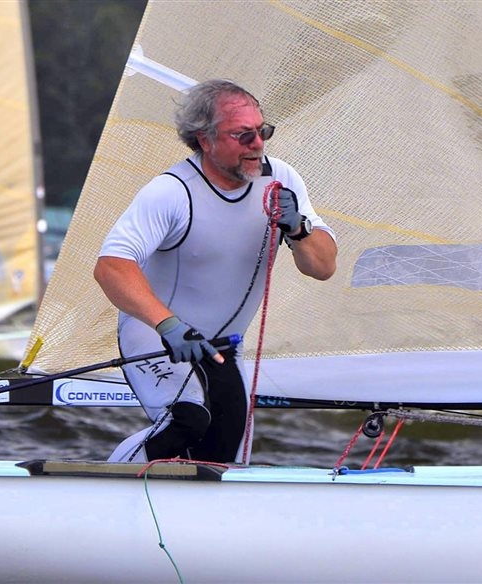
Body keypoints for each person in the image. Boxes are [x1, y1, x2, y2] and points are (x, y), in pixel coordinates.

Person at [95, 79, 337, 463]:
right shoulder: (172, 191)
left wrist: (299, 229)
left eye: (262, 131)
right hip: (158, 337)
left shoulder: (281, 180)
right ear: (205, 140)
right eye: (243, 135)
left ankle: (175, 499)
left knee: (221, 455)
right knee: (187, 420)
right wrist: (169, 326)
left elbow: (323, 267)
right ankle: (107, 486)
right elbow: (111, 266)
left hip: (224, 348)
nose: (257, 144)